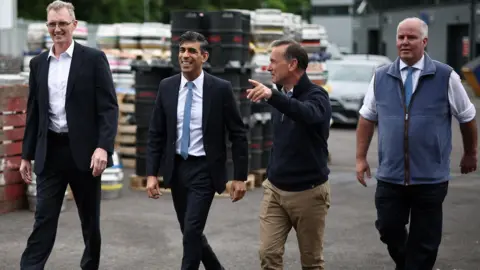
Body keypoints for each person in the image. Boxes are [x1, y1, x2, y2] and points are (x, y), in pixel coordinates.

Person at [356, 17, 478, 270]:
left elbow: (467, 118)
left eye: (410, 37)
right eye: (400, 37)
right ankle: (409, 264)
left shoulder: (446, 76)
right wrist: (360, 158)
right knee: (388, 228)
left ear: (424, 41)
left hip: (430, 178)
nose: (404, 42)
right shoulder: (381, 77)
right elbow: (367, 117)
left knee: (425, 241)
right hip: (390, 175)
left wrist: (470, 153)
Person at [19, 1, 118, 269]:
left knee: (89, 222)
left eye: (63, 23)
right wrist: (26, 154)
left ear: (74, 25)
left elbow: (109, 108)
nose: (57, 29)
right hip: (50, 152)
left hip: (85, 154)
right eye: (52, 24)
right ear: (47, 26)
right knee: (44, 219)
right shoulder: (38, 64)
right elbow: (34, 112)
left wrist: (103, 148)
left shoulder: (93, 59)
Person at [145, 31, 249, 270]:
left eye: (192, 51)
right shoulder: (167, 86)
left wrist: (240, 177)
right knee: (191, 232)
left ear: (204, 56)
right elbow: (156, 133)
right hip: (177, 168)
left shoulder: (219, 88)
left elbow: (238, 133)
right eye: (182, 50)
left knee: (191, 230)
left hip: (205, 169)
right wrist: (151, 174)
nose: (185, 55)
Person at [246, 39, 332, 270]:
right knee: (268, 254)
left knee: (312, 262)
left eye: (273, 61)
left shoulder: (317, 96)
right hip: (275, 190)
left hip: (309, 192)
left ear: (293, 64)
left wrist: (273, 97)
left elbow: (306, 113)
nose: (268, 67)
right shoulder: (279, 96)